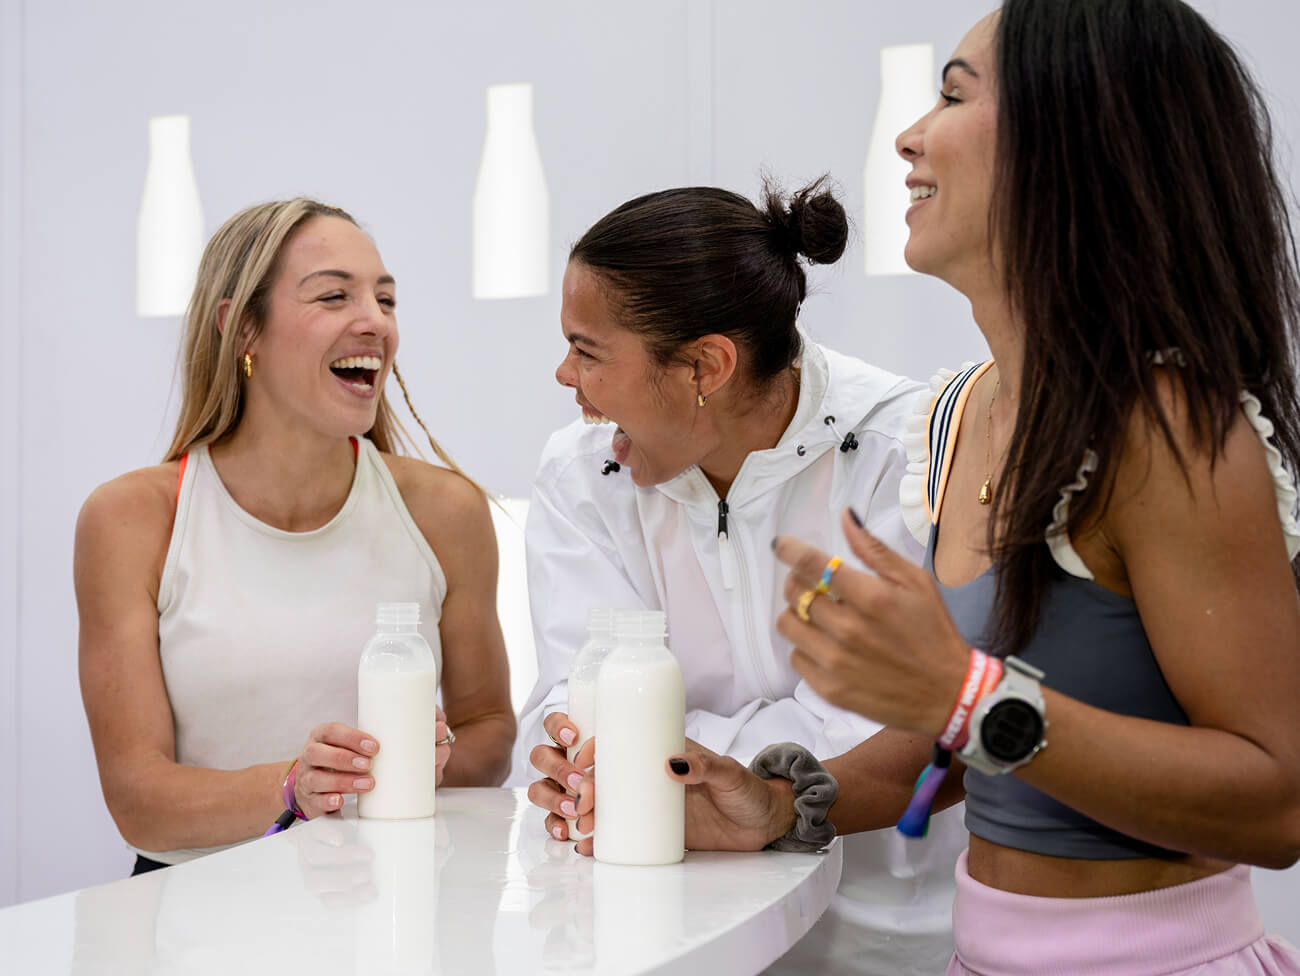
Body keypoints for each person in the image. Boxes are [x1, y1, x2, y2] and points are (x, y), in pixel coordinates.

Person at [624, 2, 1300, 973]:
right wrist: (777, 802)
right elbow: (950, 738)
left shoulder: (1166, 426)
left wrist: (969, 696)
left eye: (951, 95)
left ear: (1076, 139)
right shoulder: (954, 416)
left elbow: (1276, 801)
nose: (908, 136)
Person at [517, 179, 968, 974]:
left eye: (587, 350)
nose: (563, 375)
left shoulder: (907, 458)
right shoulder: (580, 475)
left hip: (897, 942)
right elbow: (571, 709)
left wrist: (657, 746)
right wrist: (602, 758)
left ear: (705, 366)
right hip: (661, 932)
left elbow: (884, 739)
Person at [75, 198, 515, 873]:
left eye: (386, 299)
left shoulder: (446, 512)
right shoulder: (129, 520)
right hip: (191, 921)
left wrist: (429, 755)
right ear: (241, 329)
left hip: (390, 901)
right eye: (334, 296)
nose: (375, 322)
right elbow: (138, 798)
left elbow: (488, 730)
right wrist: (295, 786)